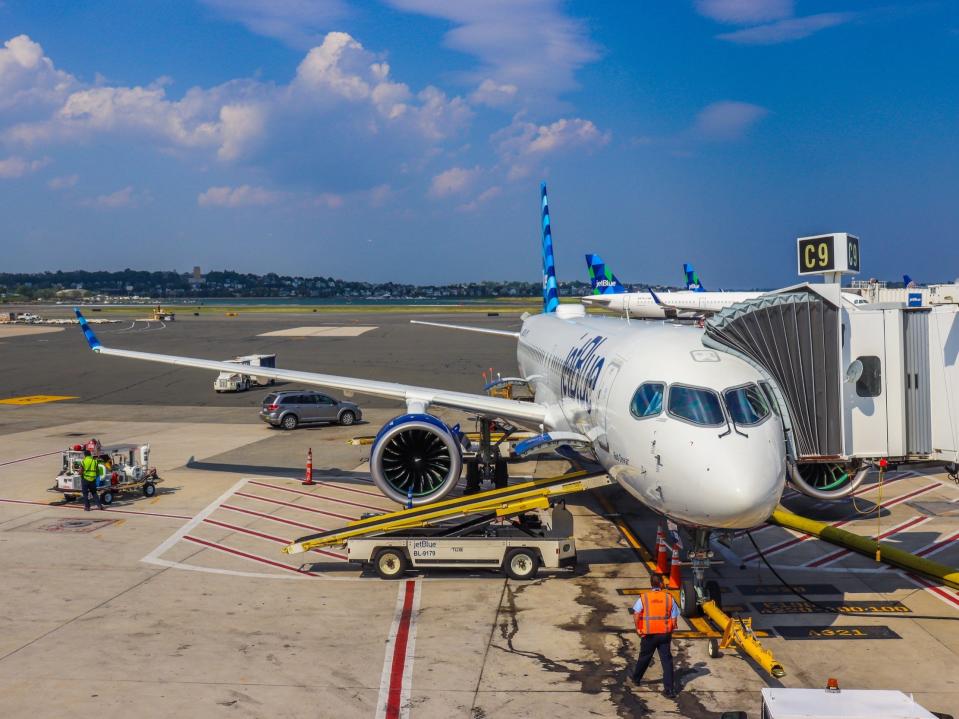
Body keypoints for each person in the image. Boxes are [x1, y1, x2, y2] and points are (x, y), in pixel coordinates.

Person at [629, 573, 679, 698]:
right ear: (661, 584)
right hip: (664, 635)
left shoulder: (644, 598)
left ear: (651, 584)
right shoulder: (669, 598)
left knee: (644, 657)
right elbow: (674, 618)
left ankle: (636, 679)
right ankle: (669, 690)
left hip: (649, 635)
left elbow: (636, 614)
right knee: (666, 661)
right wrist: (670, 631)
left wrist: (638, 629)